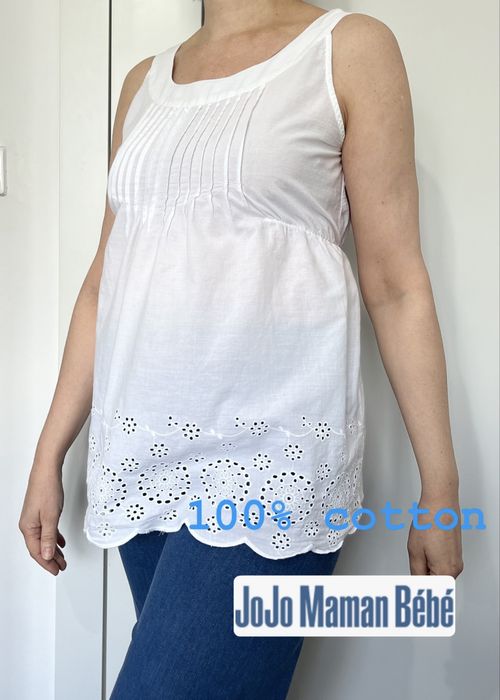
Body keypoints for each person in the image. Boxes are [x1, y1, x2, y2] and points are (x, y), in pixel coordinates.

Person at [19, 1, 464, 697]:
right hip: (139, 460)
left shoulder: (347, 48)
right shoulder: (143, 83)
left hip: (270, 464)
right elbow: (103, 285)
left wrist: (441, 488)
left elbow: (396, 285)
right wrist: (48, 455)